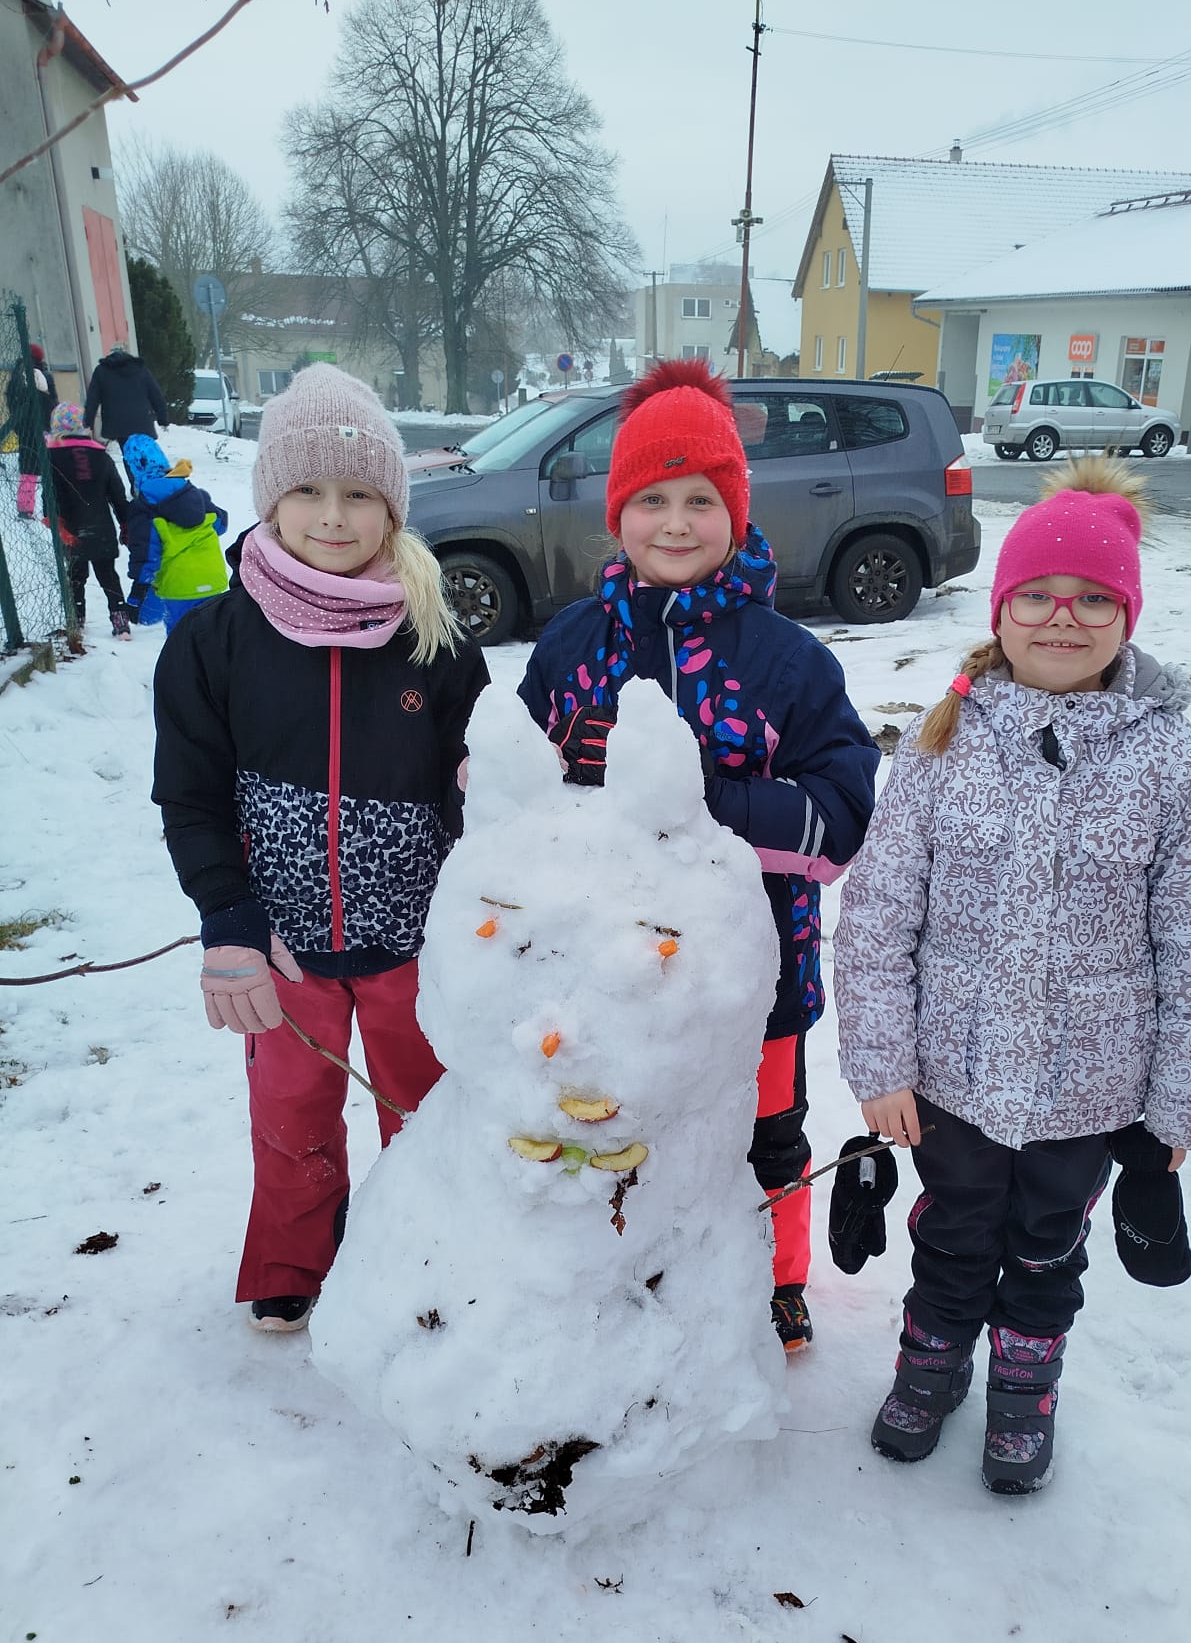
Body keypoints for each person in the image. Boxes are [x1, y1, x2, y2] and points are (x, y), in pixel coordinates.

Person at [834, 458, 1191, 1493]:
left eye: (1093, 599)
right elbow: (878, 912)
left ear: (1127, 616)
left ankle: (1026, 1383)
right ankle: (932, 1361)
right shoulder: (942, 741)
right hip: (953, 1078)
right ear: (1002, 609)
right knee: (955, 1231)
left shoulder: (1169, 760)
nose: (1064, 618)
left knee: (1048, 1242)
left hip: (1090, 1089)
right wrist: (882, 1062)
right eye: (1039, 596)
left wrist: (1179, 1106)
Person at [518, 358, 878, 1352]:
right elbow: (520, 799)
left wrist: (698, 798)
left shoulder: (788, 660)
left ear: (735, 511)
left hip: (753, 977)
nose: (675, 524)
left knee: (768, 1135)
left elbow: (842, 816)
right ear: (617, 512)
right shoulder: (572, 647)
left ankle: (778, 1278)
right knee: (628, 1130)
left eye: (700, 501)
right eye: (652, 500)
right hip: (608, 976)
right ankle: (631, 1272)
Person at [152, 364, 490, 1333]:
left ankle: (435, 1256)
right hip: (282, 944)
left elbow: (478, 784)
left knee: (425, 1112)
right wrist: (227, 916)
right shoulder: (215, 642)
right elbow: (190, 795)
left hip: (413, 945)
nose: (332, 516)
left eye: (358, 494)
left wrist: (488, 793)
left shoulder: (435, 640)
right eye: (307, 489)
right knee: (290, 1111)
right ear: (271, 496)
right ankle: (296, 1258)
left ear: (391, 509)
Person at [122, 434, 229, 632]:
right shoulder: (195, 495)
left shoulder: (145, 506)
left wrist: (138, 592)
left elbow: (146, 554)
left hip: (179, 588)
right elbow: (221, 524)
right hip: (214, 580)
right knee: (214, 640)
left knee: (181, 642)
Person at [45, 402, 130, 636]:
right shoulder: (101, 455)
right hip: (101, 526)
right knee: (108, 576)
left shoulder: (51, 456)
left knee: (75, 576)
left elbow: (50, 495)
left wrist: (54, 521)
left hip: (70, 528)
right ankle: (121, 622)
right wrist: (125, 523)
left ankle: (77, 619)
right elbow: (118, 494)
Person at [83, 343, 167, 451]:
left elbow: (92, 399)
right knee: (143, 452)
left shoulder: (101, 371)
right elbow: (156, 395)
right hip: (141, 420)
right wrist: (163, 419)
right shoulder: (140, 369)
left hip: (116, 423)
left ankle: (130, 460)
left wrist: (88, 422)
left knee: (127, 451)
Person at [7, 341, 57, 517]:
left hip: (25, 429)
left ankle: (25, 508)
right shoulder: (44, 376)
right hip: (44, 428)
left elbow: (11, 403)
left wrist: (18, 425)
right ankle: (51, 507)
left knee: (28, 469)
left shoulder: (16, 377)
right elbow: (53, 402)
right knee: (51, 469)